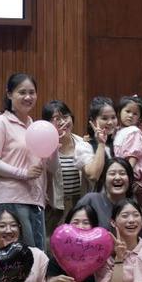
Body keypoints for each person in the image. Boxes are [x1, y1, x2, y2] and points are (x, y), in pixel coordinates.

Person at [0, 73, 52, 250]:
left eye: (32, 92)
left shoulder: (36, 126)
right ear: (9, 94)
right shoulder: (0, 122)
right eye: (22, 92)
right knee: (18, 259)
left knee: (38, 257)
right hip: (10, 199)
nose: (28, 97)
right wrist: (23, 173)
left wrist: (55, 147)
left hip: (35, 201)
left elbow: (49, 167)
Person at [42, 100, 94, 234]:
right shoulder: (44, 146)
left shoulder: (83, 144)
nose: (62, 122)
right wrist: (55, 142)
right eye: (56, 119)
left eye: (65, 117)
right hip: (55, 208)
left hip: (80, 205)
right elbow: (52, 169)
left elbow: (91, 176)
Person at [113, 95, 142, 201]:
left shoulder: (135, 131)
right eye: (127, 111)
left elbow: (132, 157)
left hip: (130, 176)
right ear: (119, 112)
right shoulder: (118, 131)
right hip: (121, 173)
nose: (130, 116)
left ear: (139, 118)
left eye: (135, 114)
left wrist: (126, 176)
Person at [77, 157, 135, 231]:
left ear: (130, 179)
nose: (117, 177)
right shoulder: (90, 200)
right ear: (104, 179)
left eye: (122, 173)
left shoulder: (133, 205)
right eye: (112, 174)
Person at [84, 96, 118, 185]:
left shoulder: (120, 141)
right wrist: (101, 143)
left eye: (113, 117)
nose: (110, 122)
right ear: (93, 121)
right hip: (99, 197)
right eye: (104, 118)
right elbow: (94, 176)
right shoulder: (84, 146)